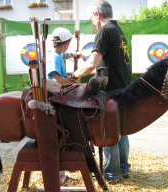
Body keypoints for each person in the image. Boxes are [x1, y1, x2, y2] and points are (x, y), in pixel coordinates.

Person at [69, 0, 131, 184]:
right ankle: (123, 168)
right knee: (121, 130)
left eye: (92, 17)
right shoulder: (117, 30)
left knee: (108, 131)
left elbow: (92, 65)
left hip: (110, 91)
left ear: (97, 14)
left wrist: (73, 75)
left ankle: (112, 175)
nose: (92, 21)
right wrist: (84, 53)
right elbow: (103, 53)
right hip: (122, 89)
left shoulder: (103, 31)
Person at [46, 27, 79, 185]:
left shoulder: (58, 54)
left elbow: (65, 55)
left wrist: (75, 54)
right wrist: (73, 81)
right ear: (66, 44)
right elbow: (58, 80)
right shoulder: (54, 58)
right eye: (69, 45)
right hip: (53, 96)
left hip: (57, 93)